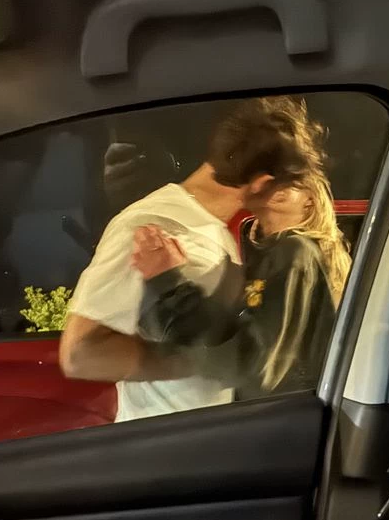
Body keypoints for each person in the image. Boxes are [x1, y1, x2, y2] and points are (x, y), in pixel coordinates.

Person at [60, 96, 322, 421]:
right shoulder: (149, 225)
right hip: (169, 441)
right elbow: (80, 354)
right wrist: (193, 361)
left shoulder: (215, 230)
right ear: (261, 183)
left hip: (212, 436)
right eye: (286, 184)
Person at [131, 167, 351, 399]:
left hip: (275, 410)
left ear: (310, 201)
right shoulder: (269, 256)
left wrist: (168, 283)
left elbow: (246, 360)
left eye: (293, 182)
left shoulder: (294, 251)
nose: (277, 185)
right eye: (274, 178)